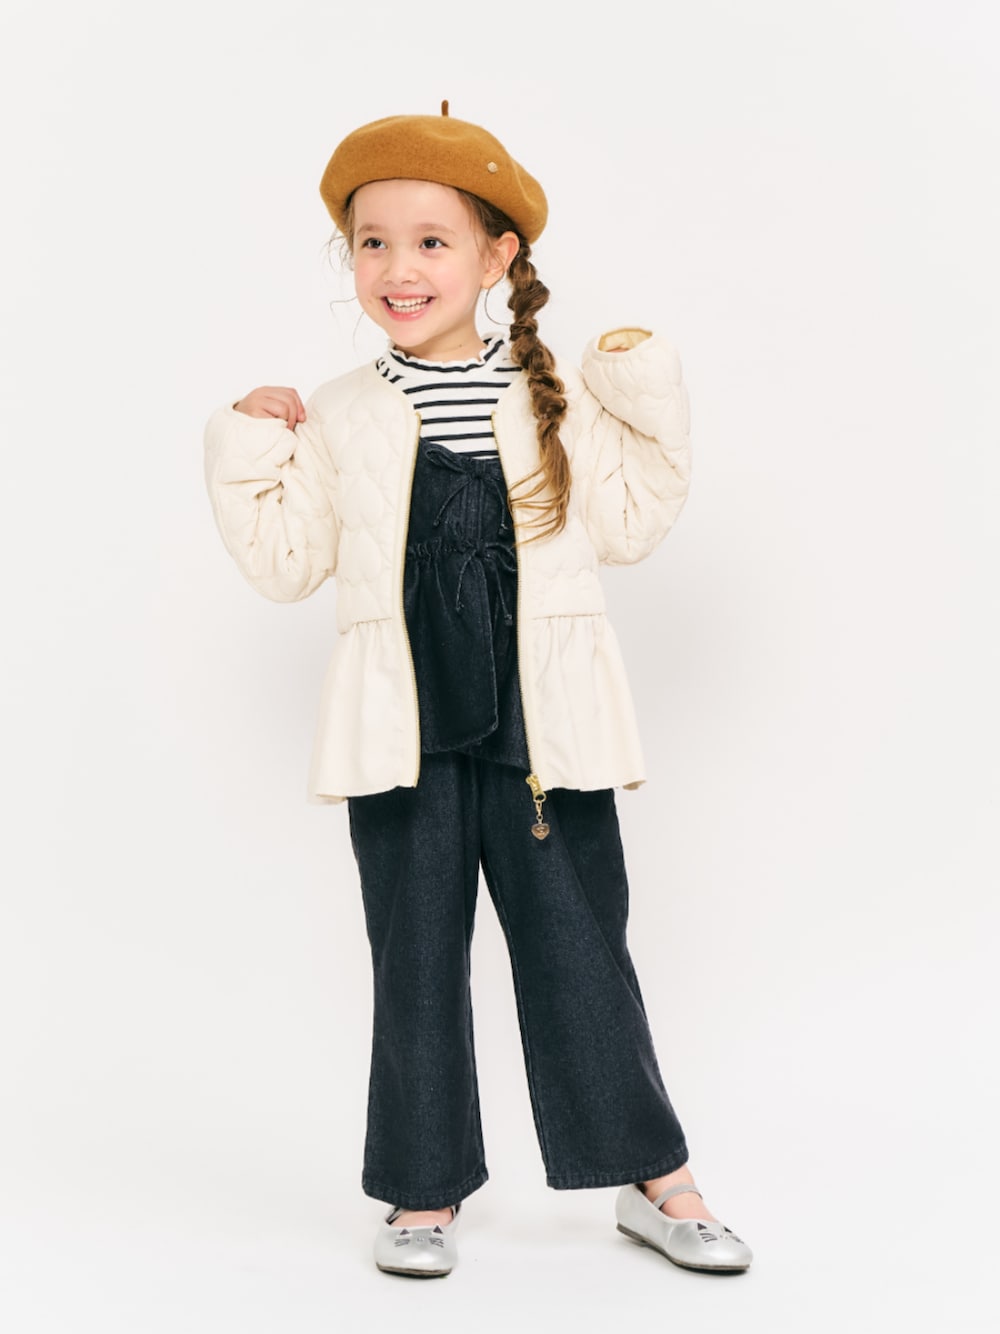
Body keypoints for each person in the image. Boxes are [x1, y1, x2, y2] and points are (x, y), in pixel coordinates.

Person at [203, 103, 753, 1279]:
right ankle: (422, 1185)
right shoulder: (342, 411)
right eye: (372, 242)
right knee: (413, 956)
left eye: (431, 241)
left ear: (498, 255)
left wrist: (640, 379)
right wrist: (250, 441)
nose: (398, 268)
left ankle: (656, 1178)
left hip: (543, 728)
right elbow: (286, 562)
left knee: (578, 946)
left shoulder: (556, 397)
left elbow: (633, 521)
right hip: (402, 730)